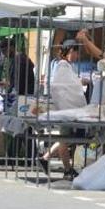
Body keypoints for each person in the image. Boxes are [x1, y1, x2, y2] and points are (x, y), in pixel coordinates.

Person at [41, 40, 87, 179]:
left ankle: (45, 158)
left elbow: (69, 85)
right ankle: (67, 169)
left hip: (67, 108)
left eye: (77, 52)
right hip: (66, 108)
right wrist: (79, 84)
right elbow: (61, 86)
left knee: (66, 138)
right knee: (64, 138)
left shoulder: (67, 66)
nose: (76, 55)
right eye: (73, 52)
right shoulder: (63, 65)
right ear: (67, 51)